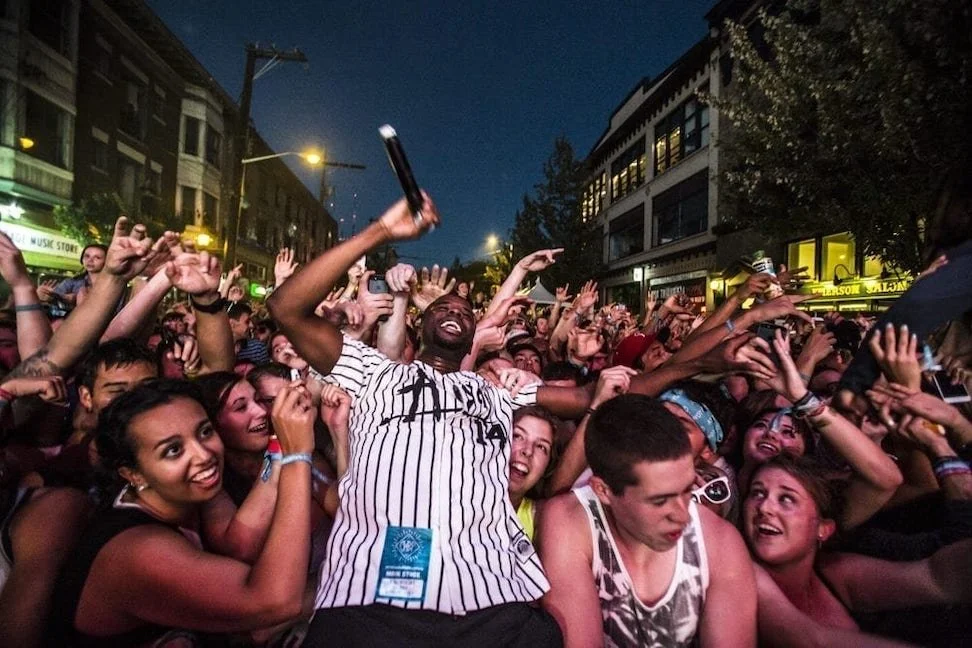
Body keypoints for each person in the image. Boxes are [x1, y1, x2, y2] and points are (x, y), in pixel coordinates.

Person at [269, 194, 590, 647]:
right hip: (369, 607)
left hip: (495, 608)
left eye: (465, 312)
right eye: (443, 308)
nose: (455, 312)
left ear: (475, 335)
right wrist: (381, 231)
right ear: (421, 326)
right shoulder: (374, 372)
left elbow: (587, 397)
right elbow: (286, 307)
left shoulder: (497, 393)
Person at [45, 379, 314, 645]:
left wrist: (279, 446)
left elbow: (239, 544)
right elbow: (276, 601)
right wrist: (296, 455)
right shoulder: (139, 552)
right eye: (173, 450)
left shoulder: (191, 489)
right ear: (133, 473)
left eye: (205, 432)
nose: (203, 455)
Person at [538, 394, 757, 647]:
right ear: (603, 491)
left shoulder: (720, 542)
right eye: (659, 500)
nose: (681, 515)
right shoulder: (569, 518)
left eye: (686, 490)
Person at [745, 455, 972, 647]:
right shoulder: (746, 572)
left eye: (786, 498)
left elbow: (936, 577)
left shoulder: (834, 572)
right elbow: (812, 640)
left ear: (823, 529)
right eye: (757, 493)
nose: (764, 507)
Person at [509, 406, 558, 541]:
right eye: (517, 436)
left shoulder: (539, 517)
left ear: (547, 468)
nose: (528, 451)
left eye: (541, 447)